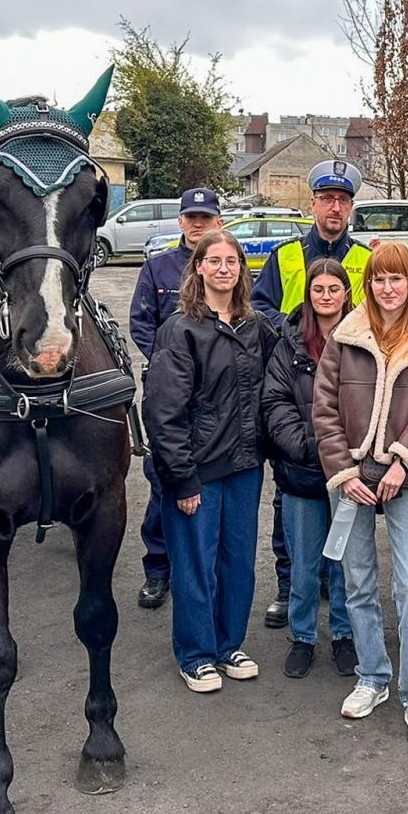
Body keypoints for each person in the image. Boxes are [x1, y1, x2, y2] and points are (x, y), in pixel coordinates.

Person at [312, 242, 408, 748]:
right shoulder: (345, 336)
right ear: (367, 284)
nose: (387, 288)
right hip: (350, 476)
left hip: (407, 476)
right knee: (358, 583)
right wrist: (343, 471)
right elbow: (324, 408)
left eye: (396, 279)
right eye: (378, 279)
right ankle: (372, 677)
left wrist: (403, 459)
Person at [143, 230, 277, 693]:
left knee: (238, 560)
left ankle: (228, 644)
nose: (224, 268)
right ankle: (196, 653)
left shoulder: (255, 327)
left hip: (244, 466)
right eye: (214, 260)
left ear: (242, 269)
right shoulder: (180, 329)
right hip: (198, 470)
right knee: (195, 563)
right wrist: (181, 478)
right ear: (198, 268)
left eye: (232, 260)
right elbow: (163, 411)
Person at [252, 159, 372, 631]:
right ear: (314, 204)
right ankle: (289, 586)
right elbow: (258, 306)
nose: (334, 207)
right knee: (291, 500)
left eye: (343, 201)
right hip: (295, 382)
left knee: (346, 506)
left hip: (349, 395)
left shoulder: (364, 258)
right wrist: (290, 330)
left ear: (350, 208)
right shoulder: (284, 257)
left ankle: (331, 588)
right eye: (327, 199)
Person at [260, 259, 357, 679]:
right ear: (309, 294)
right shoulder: (289, 344)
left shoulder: (361, 339)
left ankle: (343, 634)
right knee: (304, 563)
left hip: (350, 472)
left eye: (334, 288)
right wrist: (305, 446)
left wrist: (349, 452)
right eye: (318, 289)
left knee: (345, 562)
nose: (326, 296)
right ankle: (302, 636)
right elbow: (275, 402)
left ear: (345, 293)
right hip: (301, 469)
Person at [129, 187, 224, 610]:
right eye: (191, 217)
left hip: (217, 394)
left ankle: (204, 570)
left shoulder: (226, 266)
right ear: (181, 221)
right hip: (170, 393)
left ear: (217, 221)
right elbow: (140, 323)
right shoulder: (157, 268)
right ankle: (158, 569)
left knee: (213, 483)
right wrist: (174, 369)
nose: (198, 223)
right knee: (165, 479)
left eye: (205, 217)